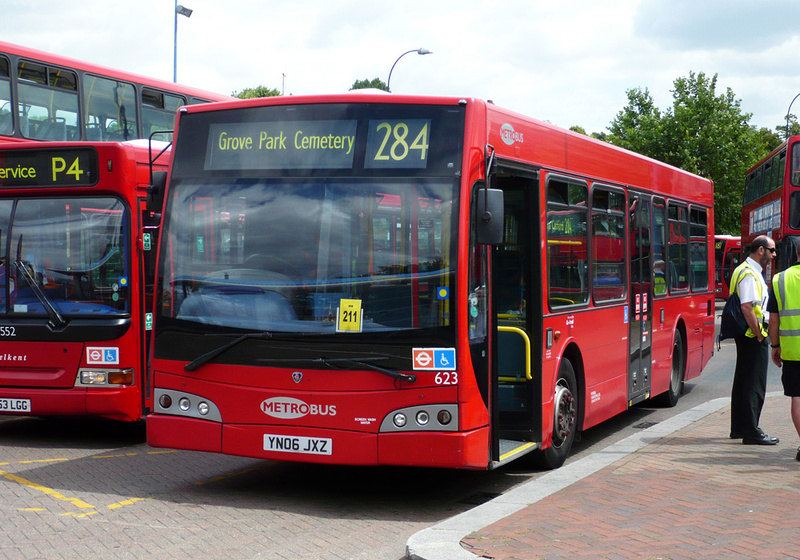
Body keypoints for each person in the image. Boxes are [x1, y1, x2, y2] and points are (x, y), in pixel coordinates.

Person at [729, 235, 778, 445]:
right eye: (772, 250)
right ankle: (751, 431)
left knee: (742, 382)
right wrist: (759, 334)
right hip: (753, 335)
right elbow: (747, 307)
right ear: (761, 250)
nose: (773, 255)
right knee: (754, 385)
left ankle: (739, 427)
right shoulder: (750, 274)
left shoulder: (742, 269)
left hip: (745, 334)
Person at [768, 238, 800, 460]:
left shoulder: (780, 280)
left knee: (797, 398)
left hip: (792, 351)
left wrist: (775, 346)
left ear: (796, 253)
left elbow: (773, 319)